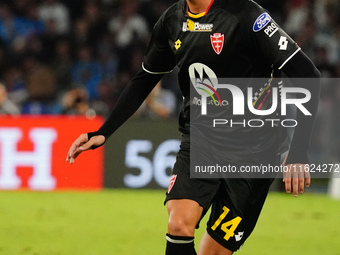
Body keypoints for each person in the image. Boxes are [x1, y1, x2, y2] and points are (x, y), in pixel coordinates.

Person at [66, 0, 320, 254]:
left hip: (256, 151)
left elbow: (308, 74)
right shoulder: (171, 21)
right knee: (178, 224)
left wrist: (298, 150)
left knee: (213, 252)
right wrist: (103, 131)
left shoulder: (247, 14)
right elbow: (145, 78)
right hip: (202, 142)